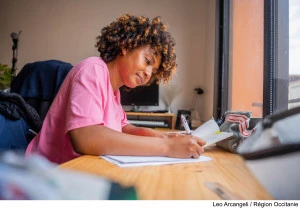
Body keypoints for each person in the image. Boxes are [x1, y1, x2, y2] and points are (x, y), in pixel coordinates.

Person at [25, 14, 206, 164]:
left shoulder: (114, 93)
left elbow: (124, 129)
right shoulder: (92, 69)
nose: (149, 73)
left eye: (154, 71)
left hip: (81, 171)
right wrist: (167, 148)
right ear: (127, 46)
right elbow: (86, 137)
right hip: (45, 173)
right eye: (148, 61)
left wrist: (166, 138)